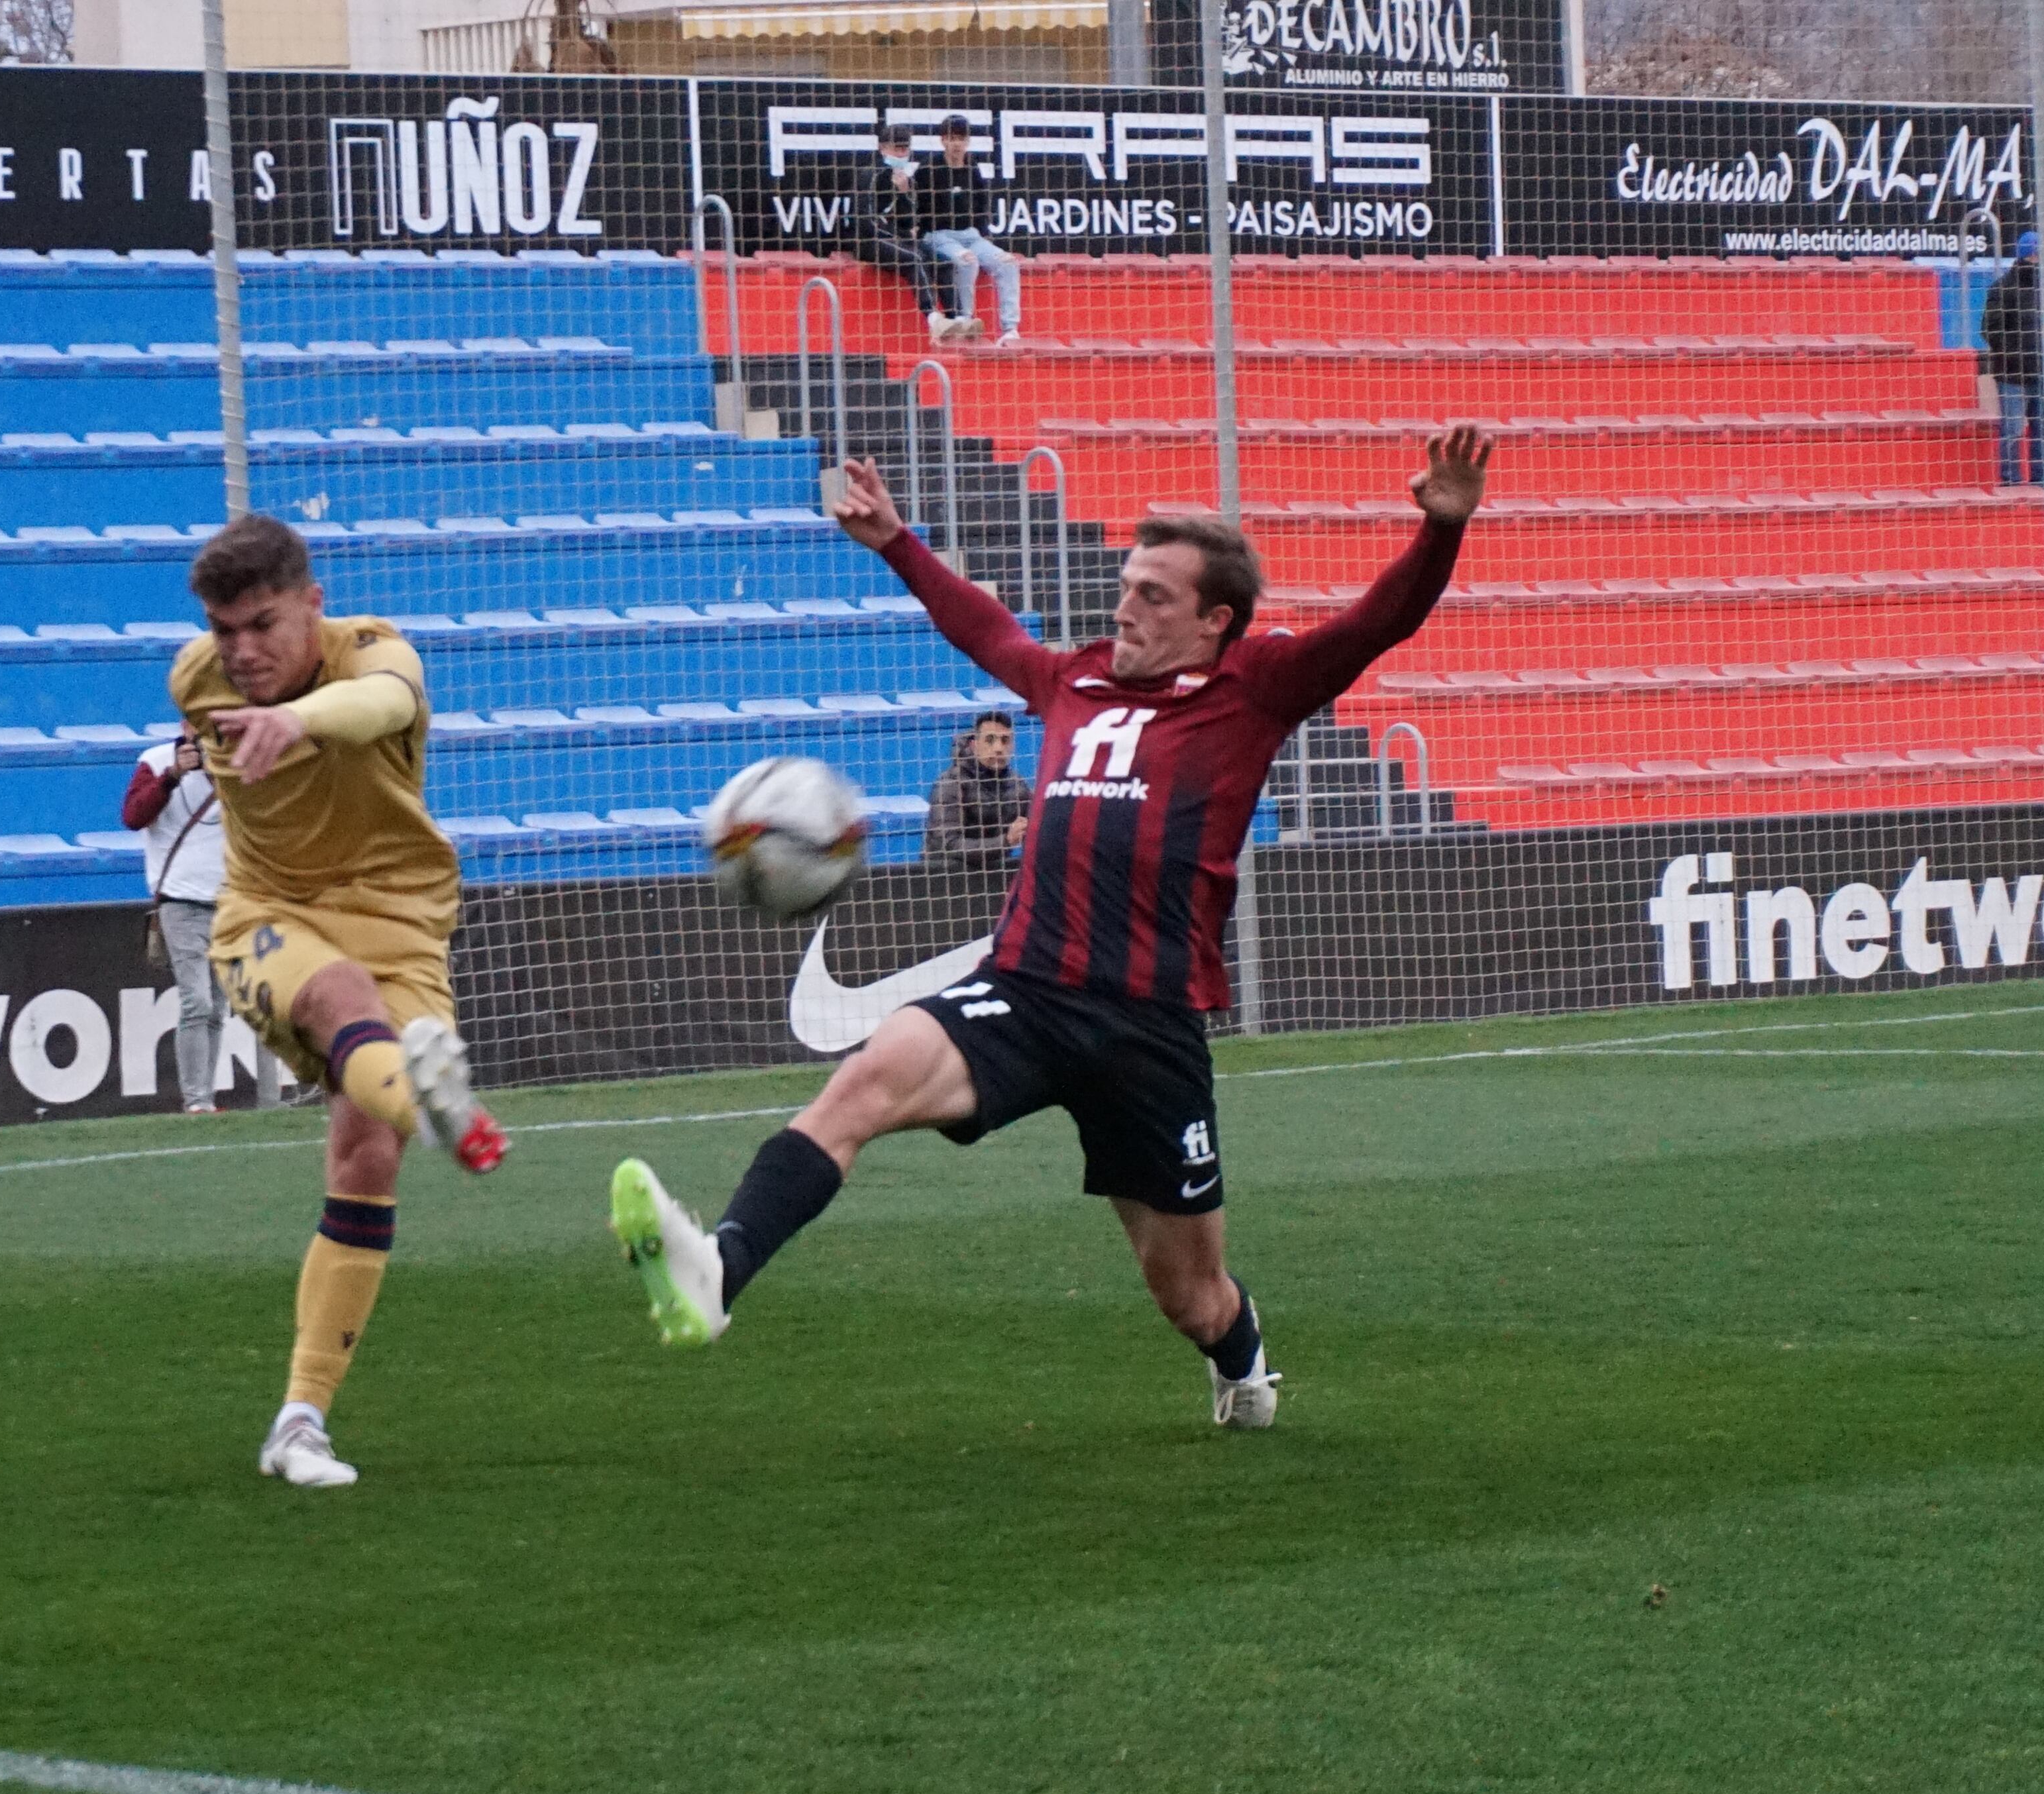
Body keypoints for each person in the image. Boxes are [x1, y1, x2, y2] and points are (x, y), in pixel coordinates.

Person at [608, 426, 1496, 1429]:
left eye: (1154, 594)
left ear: (1215, 622)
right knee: (861, 1082)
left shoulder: (1256, 690)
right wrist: (899, 543)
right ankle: (717, 1272)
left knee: (1188, 1295)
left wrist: (1439, 531)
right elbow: (988, 633)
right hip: (1024, 992)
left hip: (1148, 1030)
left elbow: (1378, 624)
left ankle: (1245, 1366)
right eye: (1127, 583)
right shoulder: (1073, 680)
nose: (1126, 605)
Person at [170, 513, 511, 1491]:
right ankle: (440, 1105)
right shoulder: (195, 680)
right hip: (267, 918)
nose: (241, 652)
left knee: (366, 1154)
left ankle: (299, 1422)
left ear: (313, 607)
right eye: (224, 629)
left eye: (263, 625)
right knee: (337, 995)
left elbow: (381, 704)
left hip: (403, 919)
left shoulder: (374, 652)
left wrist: (298, 720)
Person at [123, 723, 229, 1112]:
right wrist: (172, 778)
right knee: (197, 1001)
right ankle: (196, 1101)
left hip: (228, 898)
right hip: (181, 898)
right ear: (186, 727)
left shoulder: (234, 762)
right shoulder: (156, 762)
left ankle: (205, 1096)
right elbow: (134, 816)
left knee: (218, 1006)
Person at [912, 115, 1022, 346]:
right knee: (967, 261)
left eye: (961, 139)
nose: (957, 144)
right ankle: (965, 319)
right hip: (938, 235)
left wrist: (981, 234)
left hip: (970, 235)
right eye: (952, 139)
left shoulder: (973, 169)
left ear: (968, 142)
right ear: (943, 141)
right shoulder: (928, 170)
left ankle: (1010, 329)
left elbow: (982, 204)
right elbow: (916, 206)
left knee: (1008, 262)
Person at [853, 121, 964, 342]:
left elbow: (911, 221)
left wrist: (904, 193)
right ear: (883, 148)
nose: (902, 153)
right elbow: (866, 223)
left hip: (898, 238)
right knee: (913, 258)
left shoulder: (906, 178)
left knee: (943, 263)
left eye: (905, 149)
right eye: (897, 149)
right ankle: (934, 318)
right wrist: (896, 236)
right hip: (870, 241)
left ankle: (958, 319)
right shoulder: (871, 175)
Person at [1978, 229, 2044, 487]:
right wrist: (2015, 354)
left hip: (2042, 371)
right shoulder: (2003, 288)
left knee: (2043, 430)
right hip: (2013, 372)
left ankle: (2043, 480)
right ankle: (2011, 480)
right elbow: (1989, 329)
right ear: (2030, 255)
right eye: (2038, 254)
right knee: (2013, 430)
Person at [922, 710, 1026, 860]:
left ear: (1013, 746)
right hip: (945, 877)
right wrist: (1006, 841)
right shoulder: (950, 783)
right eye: (990, 740)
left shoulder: (1018, 785)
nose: (998, 748)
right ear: (974, 745)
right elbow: (949, 845)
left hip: (996, 876)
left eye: (1005, 740)